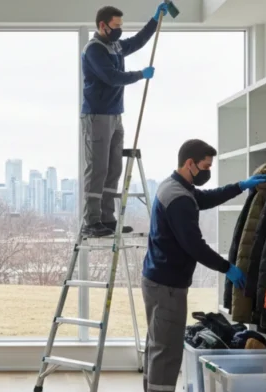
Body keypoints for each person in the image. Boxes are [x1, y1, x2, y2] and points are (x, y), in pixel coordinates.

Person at [140, 139, 266, 392]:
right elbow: (195, 246)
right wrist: (228, 268)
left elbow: (206, 197)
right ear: (190, 163)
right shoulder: (179, 199)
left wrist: (240, 186)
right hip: (168, 286)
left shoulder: (175, 186)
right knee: (167, 352)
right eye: (206, 166)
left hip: (156, 279)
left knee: (157, 347)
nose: (208, 171)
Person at [81, 3, 169, 237]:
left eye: (121, 25)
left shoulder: (115, 45)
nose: (120, 29)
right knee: (98, 169)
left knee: (114, 168)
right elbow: (111, 77)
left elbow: (138, 41)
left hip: (115, 114)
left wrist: (155, 20)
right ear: (103, 25)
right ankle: (91, 221)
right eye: (116, 25)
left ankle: (107, 218)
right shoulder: (94, 50)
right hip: (97, 115)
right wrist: (140, 75)